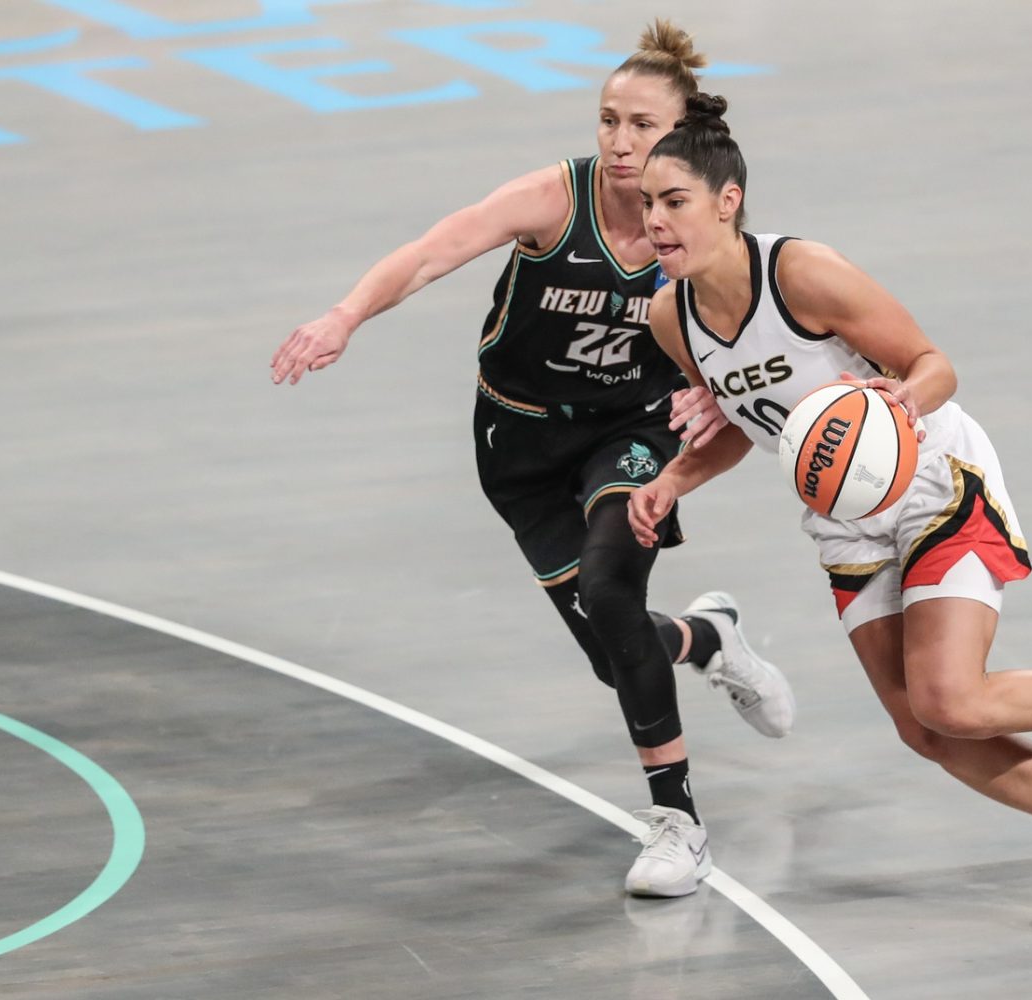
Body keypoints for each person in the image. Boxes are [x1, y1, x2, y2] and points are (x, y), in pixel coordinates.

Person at [627, 93, 1032, 932]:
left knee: (951, 697)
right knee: (926, 727)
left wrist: (902, 400)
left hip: (930, 477)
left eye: (674, 201)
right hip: (842, 516)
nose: (655, 220)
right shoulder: (672, 317)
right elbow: (755, 421)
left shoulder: (801, 272)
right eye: (647, 204)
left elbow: (933, 361)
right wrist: (673, 481)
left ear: (727, 201)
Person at [269, 22, 796, 899]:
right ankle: (710, 639)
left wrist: (714, 387)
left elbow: (746, 324)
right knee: (612, 648)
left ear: (682, 133)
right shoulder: (556, 199)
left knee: (611, 589)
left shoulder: (697, 226)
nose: (621, 142)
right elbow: (433, 250)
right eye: (607, 121)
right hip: (517, 444)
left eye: (641, 125)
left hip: (628, 432)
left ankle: (679, 825)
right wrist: (344, 315)